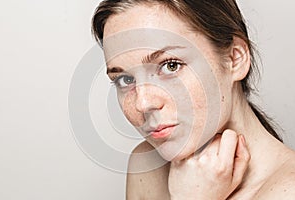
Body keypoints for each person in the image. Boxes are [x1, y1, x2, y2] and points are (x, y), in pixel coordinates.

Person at [92, 0, 295, 199]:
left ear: (235, 58)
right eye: (125, 79)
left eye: (170, 65)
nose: (142, 103)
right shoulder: (146, 168)